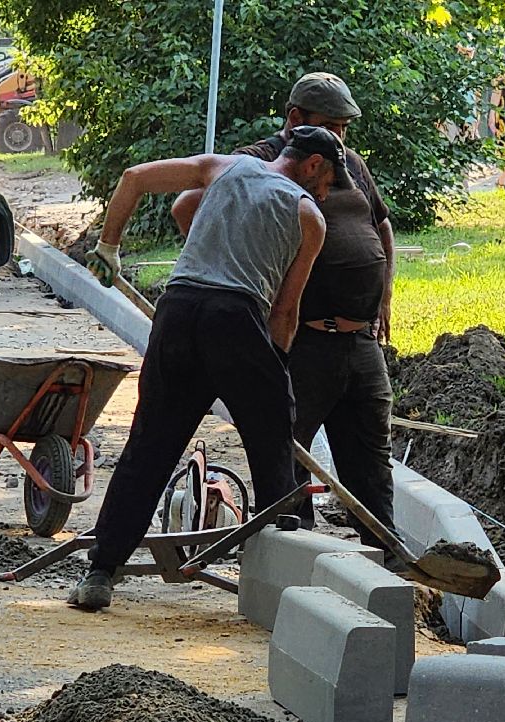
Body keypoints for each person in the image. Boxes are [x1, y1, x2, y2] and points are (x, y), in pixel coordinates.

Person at [66, 126, 345, 611]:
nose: (324, 192)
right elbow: (285, 312)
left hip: (176, 311)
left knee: (150, 444)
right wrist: (273, 371)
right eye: (327, 181)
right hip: (236, 319)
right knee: (273, 436)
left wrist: (109, 247)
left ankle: (100, 571)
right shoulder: (307, 215)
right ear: (314, 164)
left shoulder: (225, 168)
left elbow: (133, 178)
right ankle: (279, 567)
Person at [171, 73, 400, 554]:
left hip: (360, 340)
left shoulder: (348, 163)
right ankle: (295, 547)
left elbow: (380, 226)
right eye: (331, 125)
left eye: (345, 127)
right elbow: (189, 206)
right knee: (287, 446)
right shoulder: (257, 163)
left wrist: (384, 298)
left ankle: (387, 552)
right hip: (304, 338)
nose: (340, 138)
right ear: (295, 120)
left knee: (370, 450)